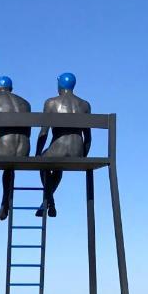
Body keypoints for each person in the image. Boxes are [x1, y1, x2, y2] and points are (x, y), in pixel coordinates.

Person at [36, 72, 91, 217]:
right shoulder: (85, 105)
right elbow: (88, 137)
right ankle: (49, 202)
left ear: (60, 84)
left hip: (57, 150)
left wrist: (37, 154)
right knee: (57, 167)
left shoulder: (51, 103)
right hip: (77, 151)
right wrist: (84, 157)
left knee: (44, 164)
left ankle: (48, 201)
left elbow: (43, 133)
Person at [0, 76, 31, 220]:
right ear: (11, 89)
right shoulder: (25, 104)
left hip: (4, 150)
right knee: (9, 167)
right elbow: (28, 132)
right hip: (24, 151)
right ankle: (5, 203)